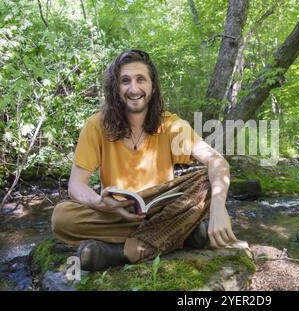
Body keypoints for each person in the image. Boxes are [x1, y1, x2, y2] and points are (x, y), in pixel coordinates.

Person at [51, 49, 237, 271]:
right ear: (115, 88)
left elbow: (216, 161)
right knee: (61, 218)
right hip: (120, 213)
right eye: (125, 81)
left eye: (141, 79)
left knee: (206, 179)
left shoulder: (171, 124)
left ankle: (123, 252)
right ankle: (181, 235)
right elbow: (76, 185)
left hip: (164, 209)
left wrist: (218, 209)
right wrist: (102, 204)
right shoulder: (96, 125)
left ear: (153, 86)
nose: (133, 88)